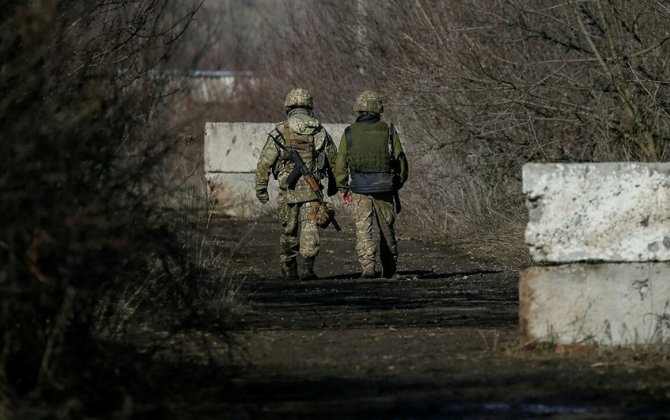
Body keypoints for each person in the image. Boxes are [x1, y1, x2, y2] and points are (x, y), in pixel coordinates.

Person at [255, 88, 338, 280]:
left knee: (288, 231)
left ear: (289, 106)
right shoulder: (319, 131)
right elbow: (334, 161)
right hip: (312, 190)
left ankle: (289, 268)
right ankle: (307, 269)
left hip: (288, 192)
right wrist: (337, 186)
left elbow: (264, 162)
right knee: (310, 228)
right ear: (309, 106)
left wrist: (261, 188)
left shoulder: (280, 130)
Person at [335, 90, 409, 278]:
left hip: (359, 187)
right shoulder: (389, 130)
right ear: (378, 109)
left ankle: (368, 267)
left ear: (359, 110)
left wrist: (343, 187)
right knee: (387, 229)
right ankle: (389, 269)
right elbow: (401, 160)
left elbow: (341, 162)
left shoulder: (349, 132)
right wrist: (397, 182)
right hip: (385, 187)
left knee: (363, 229)